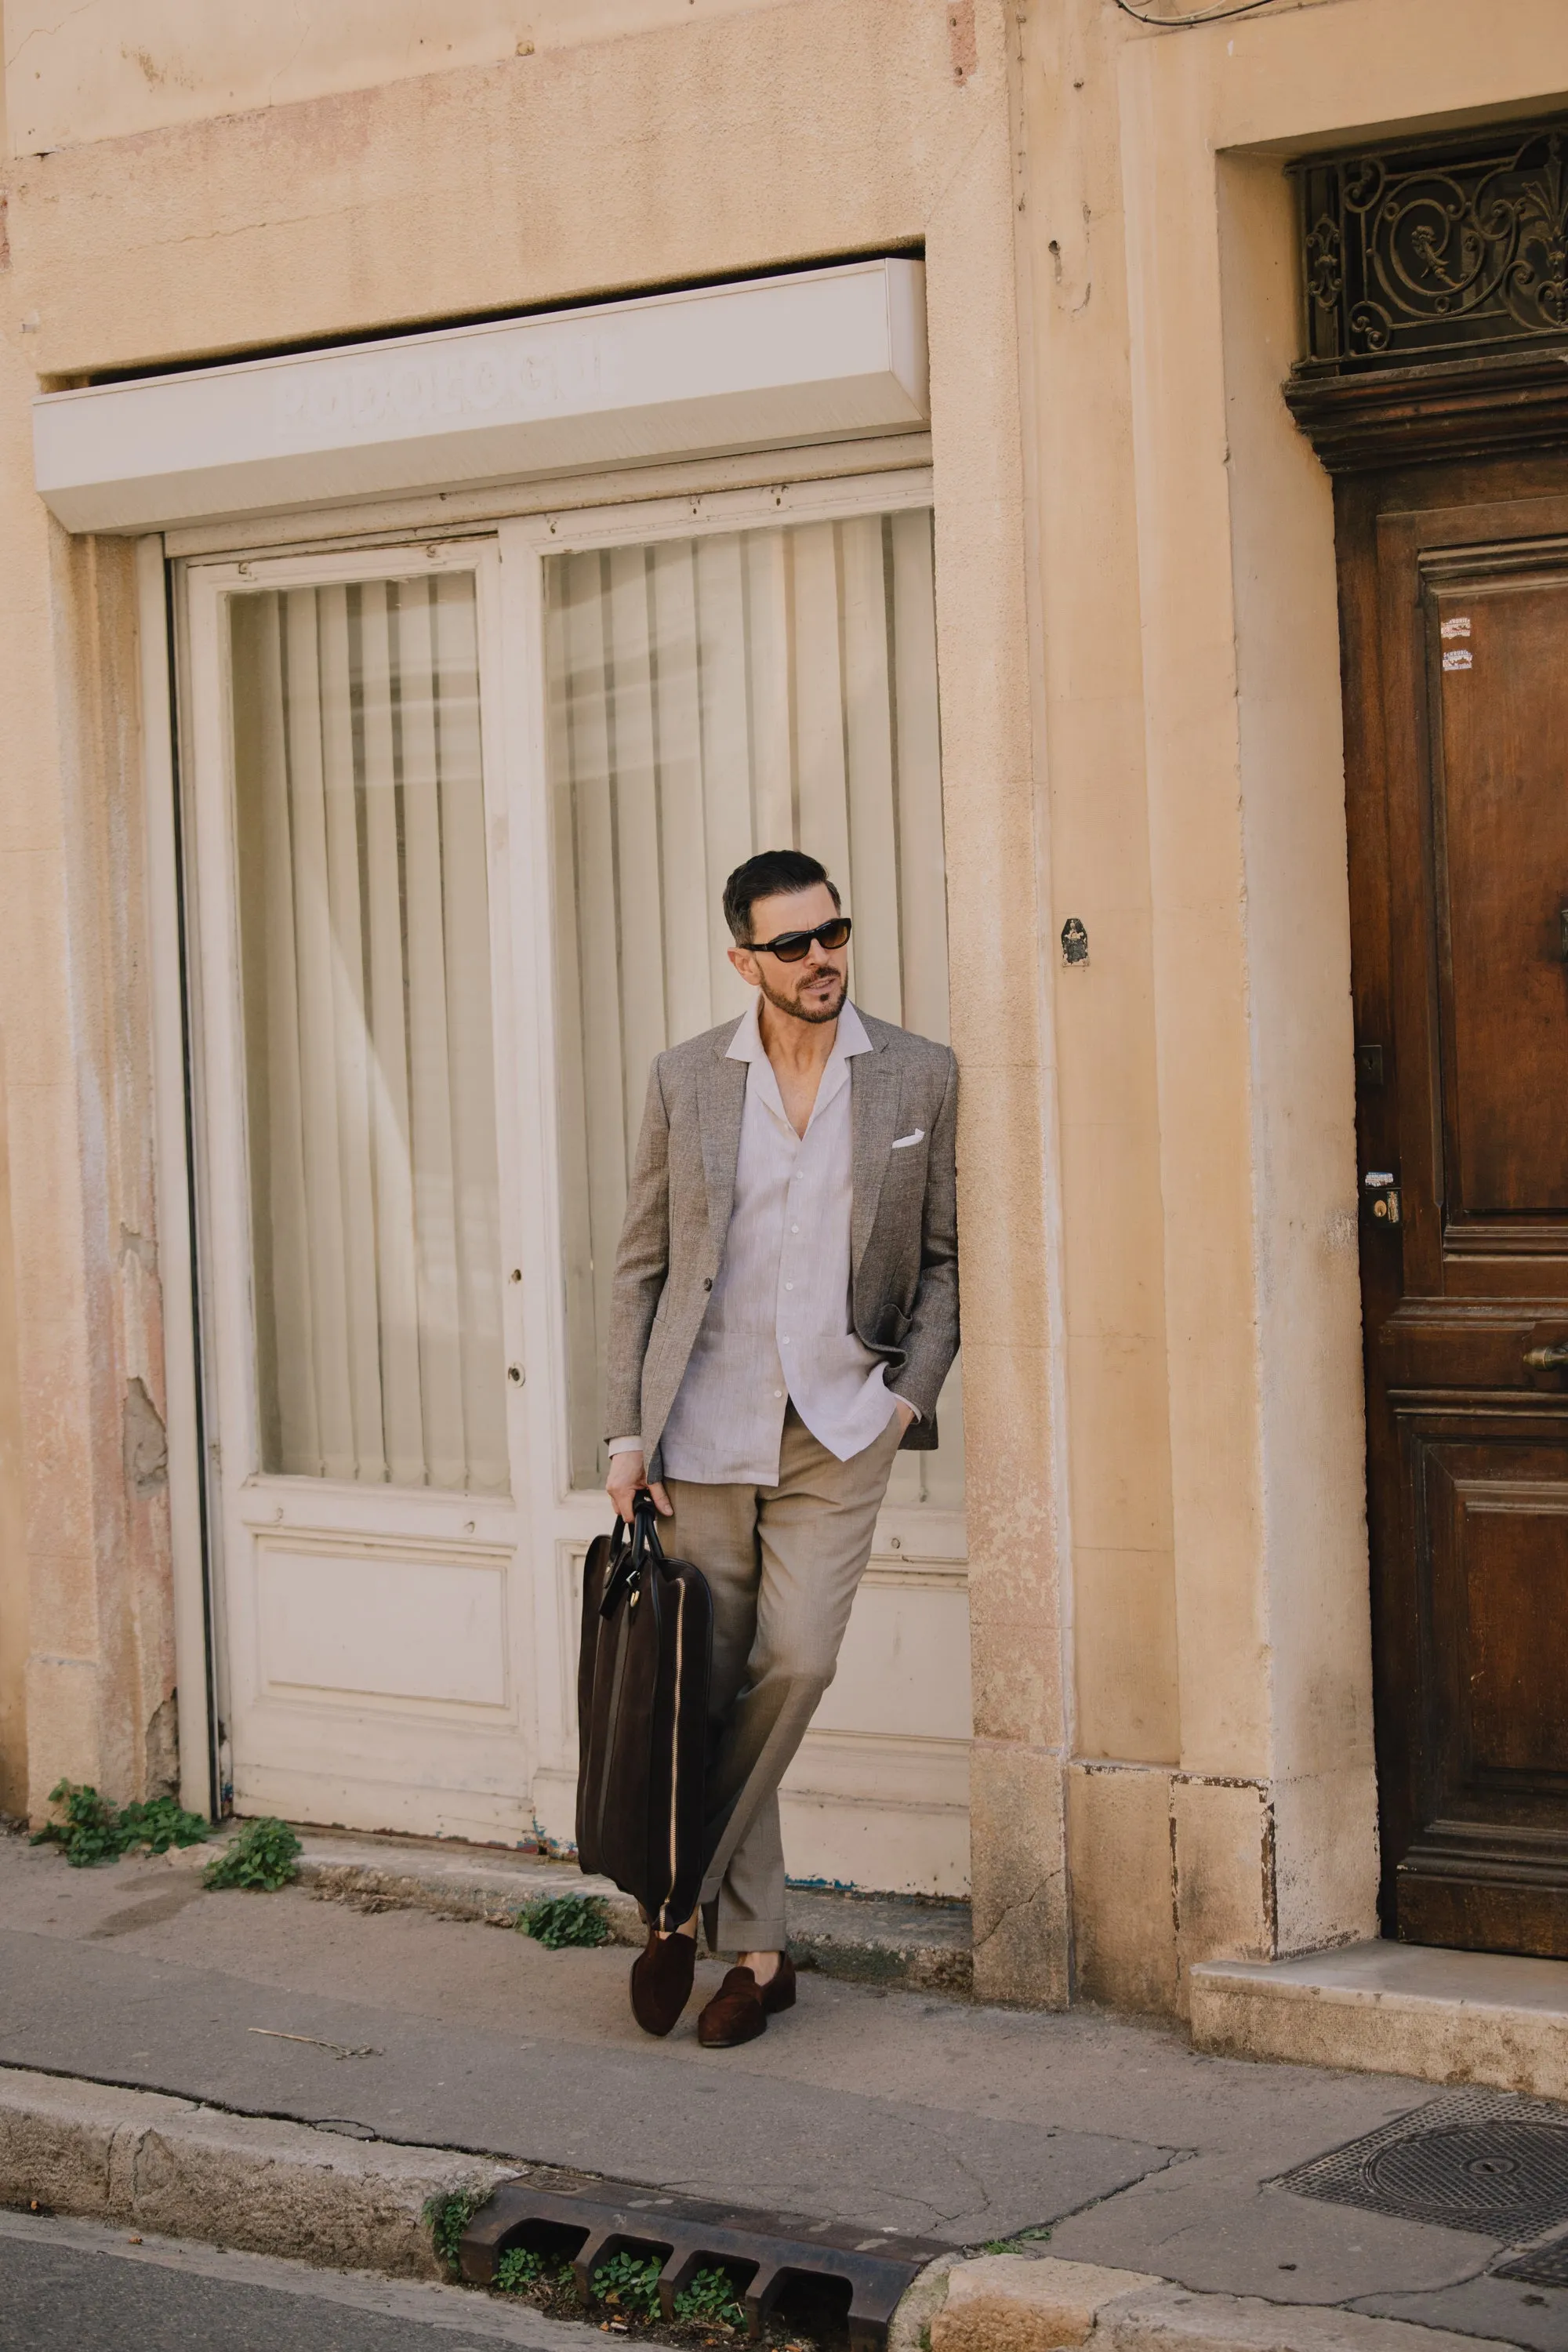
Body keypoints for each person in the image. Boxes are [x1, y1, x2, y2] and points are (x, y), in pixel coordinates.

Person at [604, 848, 960, 2048]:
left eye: (833, 935)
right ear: (743, 959)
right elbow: (640, 1266)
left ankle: (673, 1899)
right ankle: (758, 1957)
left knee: (794, 1664)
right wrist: (623, 1435)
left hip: (842, 1426)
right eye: (794, 945)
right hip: (703, 1430)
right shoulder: (686, 1080)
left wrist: (908, 1397)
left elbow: (950, 1261)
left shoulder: (916, 1076)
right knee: (708, 1688)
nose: (823, 961)